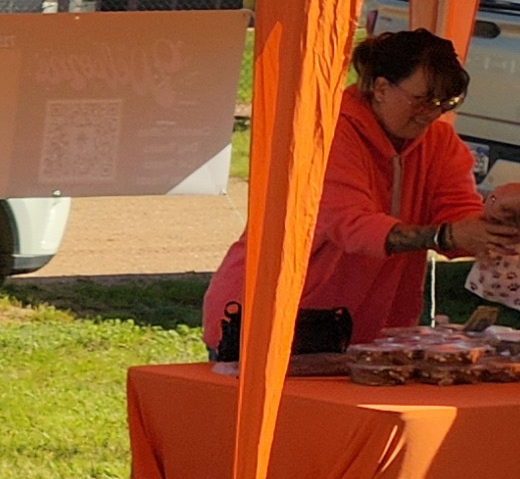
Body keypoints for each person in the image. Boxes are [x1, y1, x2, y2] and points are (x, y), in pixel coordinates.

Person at [195, 28, 499, 350]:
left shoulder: (440, 143)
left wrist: (497, 222)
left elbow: (459, 218)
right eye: (423, 100)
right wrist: (446, 235)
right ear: (381, 88)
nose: (434, 113)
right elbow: (353, 226)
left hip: (368, 333)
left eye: (446, 102)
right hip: (272, 321)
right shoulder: (326, 133)